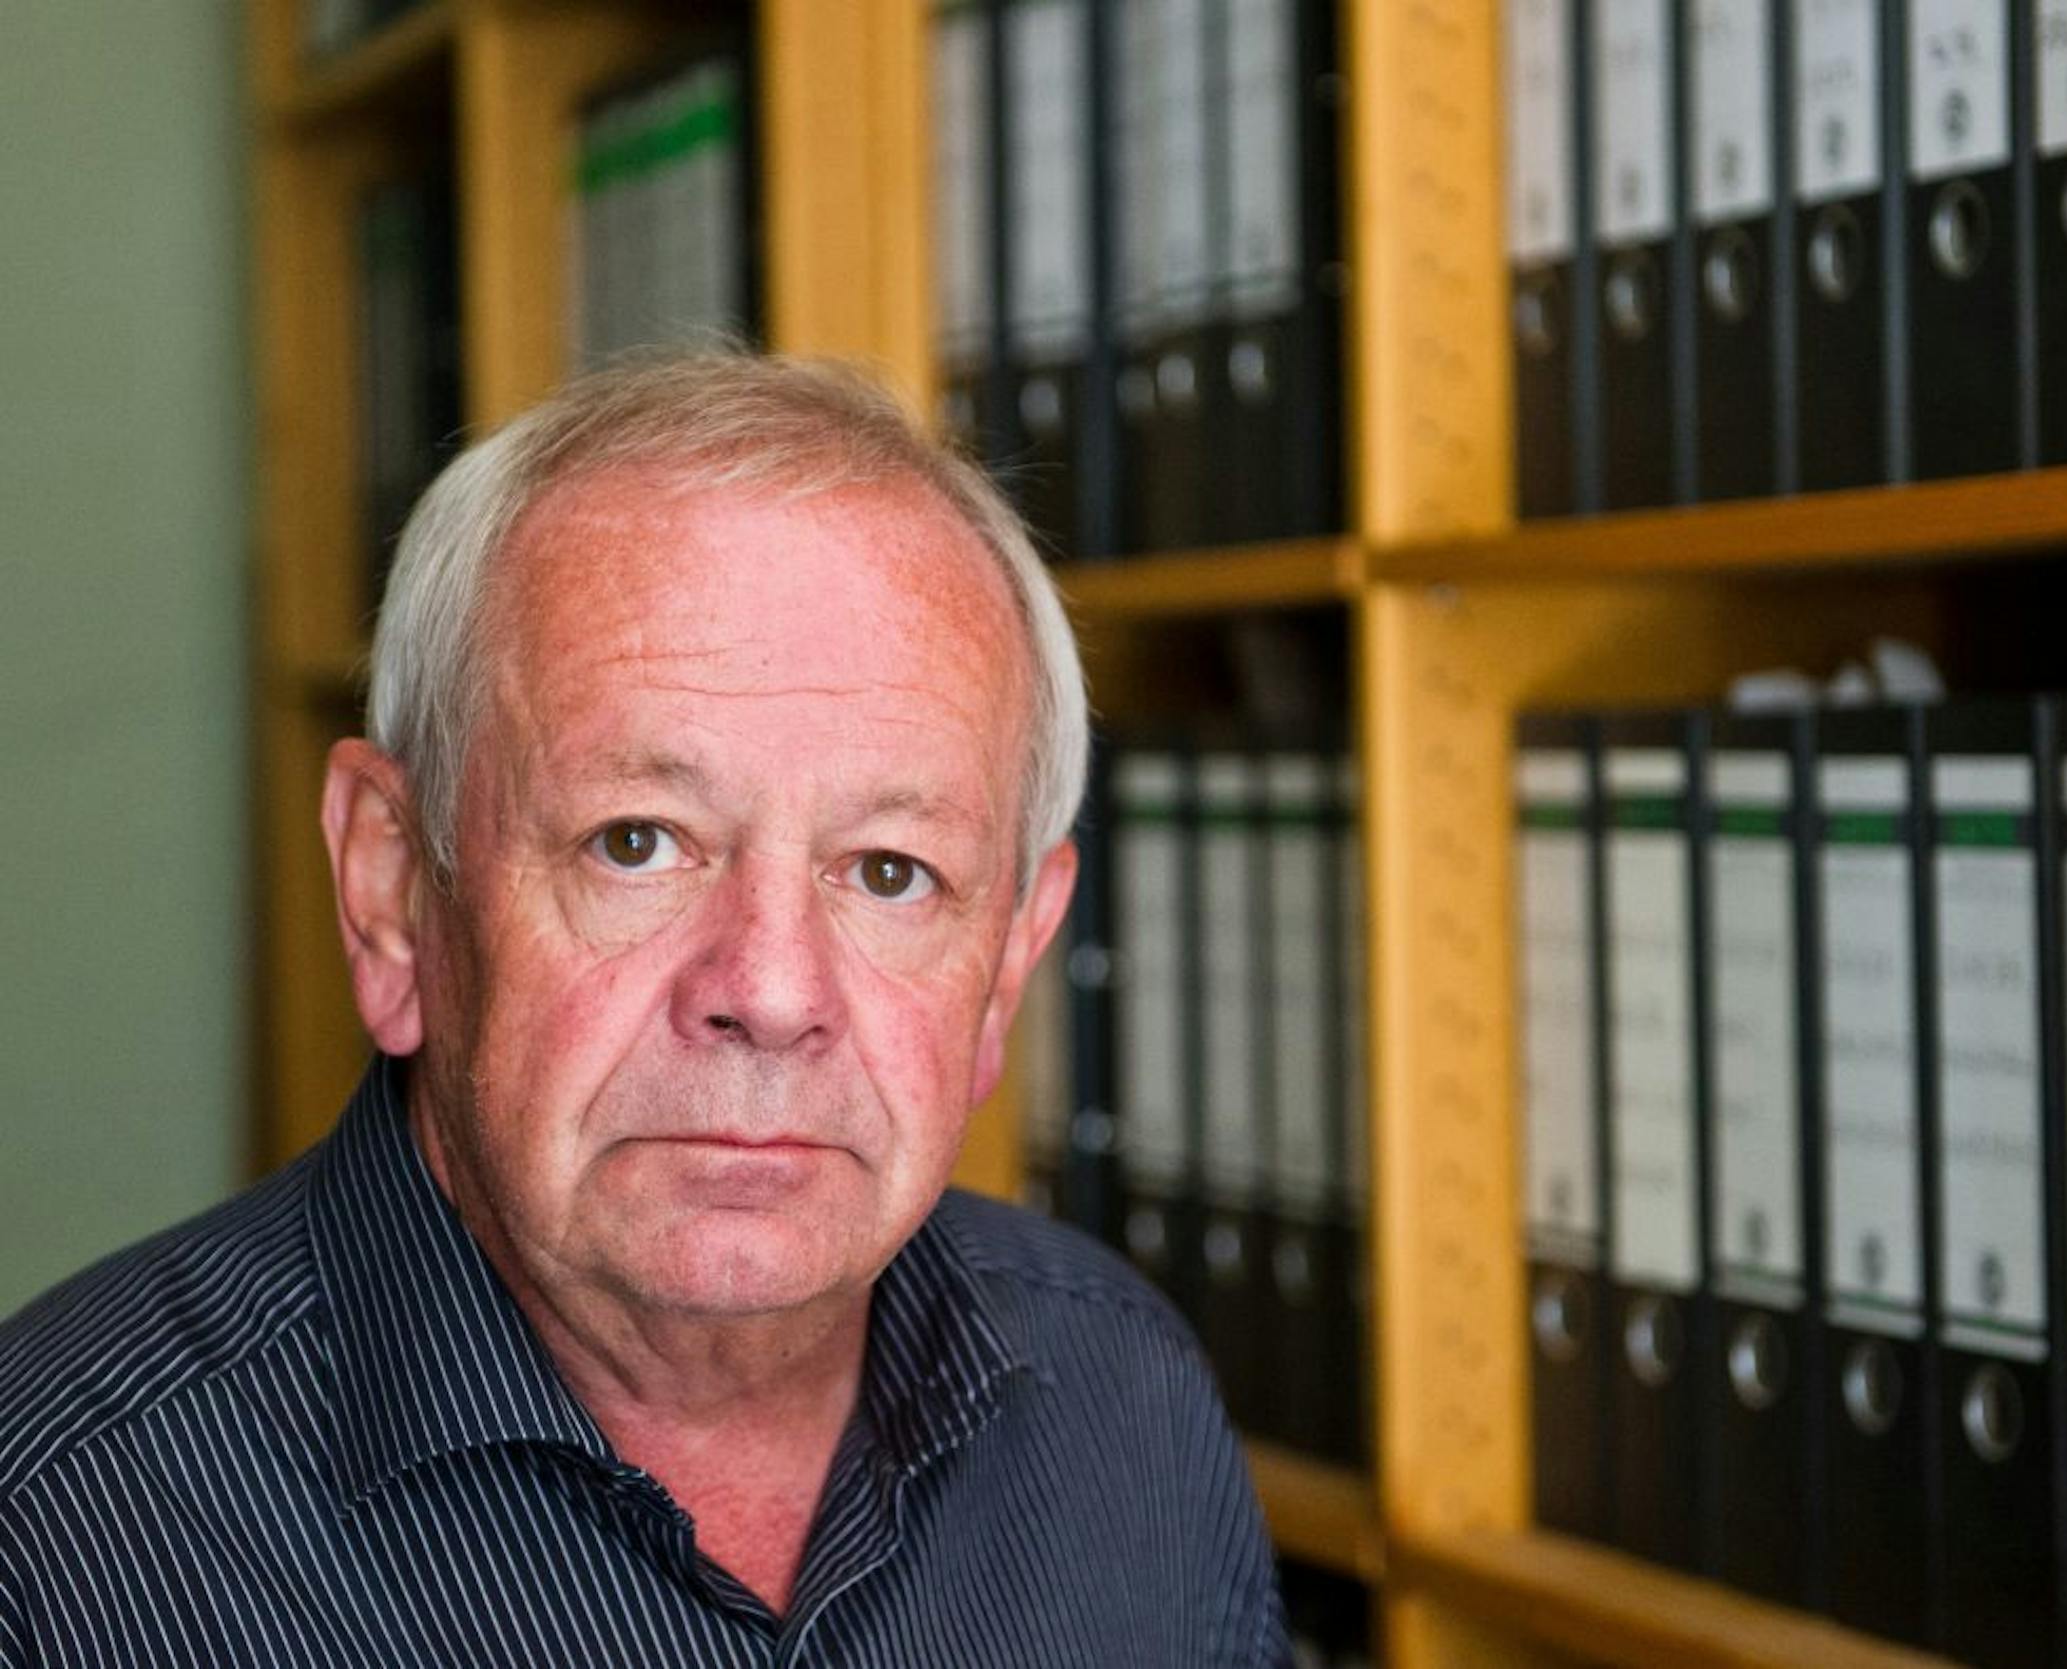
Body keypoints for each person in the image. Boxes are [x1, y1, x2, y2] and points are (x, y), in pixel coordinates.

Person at [0, 352, 1287, 1666]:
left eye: (892, 871)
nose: (773, 992)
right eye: (638, 840)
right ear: (392, 890)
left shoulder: (1127, 1404)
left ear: (1012, 955)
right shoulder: (47, 1543)